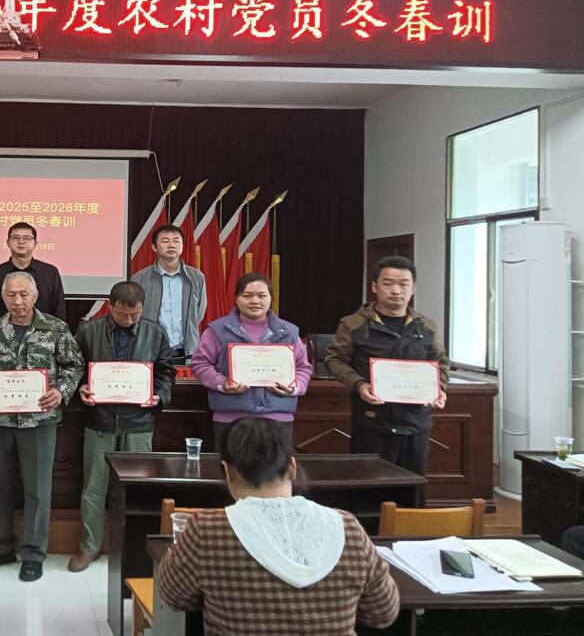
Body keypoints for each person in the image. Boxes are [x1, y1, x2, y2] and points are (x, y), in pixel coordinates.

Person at [158, 418, 400, 634]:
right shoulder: (347, 527)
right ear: (292, 468)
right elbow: (383, 612)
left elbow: (173, 596)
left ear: (227, 472)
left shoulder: (207, 530)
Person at [0, 272, 84, 582]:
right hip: (0, 420)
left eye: (24, 294)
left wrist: (60, 391)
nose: (17, 301)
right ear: (3, 297)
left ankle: (33, 554)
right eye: (11, 295)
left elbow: (75, 365)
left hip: (40, 420)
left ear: (35, 297)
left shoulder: (56, 328)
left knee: (37, 490)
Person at [67, 281, 175, 572]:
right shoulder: (88, 330)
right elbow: (74, 367)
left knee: (138, 487)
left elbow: (166, 371)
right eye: (122, 314)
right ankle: (90, 546)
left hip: (139, 422)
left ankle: (135, 547)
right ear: (110, 305)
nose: (128, 320)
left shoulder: (155, 332)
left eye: (135, 315)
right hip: (100, 420)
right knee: (94, 487)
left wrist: (160, 395)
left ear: (142, 309)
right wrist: (81, 387)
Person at [325, 256, 448, 476]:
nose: (396, 290)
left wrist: (439, 388)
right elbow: (334, 359)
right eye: (388, 283)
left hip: (415, 421)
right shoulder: (353, 323)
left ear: (413, 288)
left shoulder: (426, 326)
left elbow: (440, 362)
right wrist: (359, 384)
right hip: (372, 420)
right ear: (374, 286)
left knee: (412, 484)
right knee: (369, 484)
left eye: (403, 284)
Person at [190, 272, 313, 453]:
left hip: (278, 418)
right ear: (236, 298)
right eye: (247, 295)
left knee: (276, 469)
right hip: (231, 418)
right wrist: (223, 383)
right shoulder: (217, 330)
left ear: (271, 298)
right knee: (231, 468)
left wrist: (294, 387)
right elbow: (200, 363)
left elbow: (303, 367)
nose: (255, 301)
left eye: (262, 296)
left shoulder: (289, 331)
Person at [130, 224, 206, 360]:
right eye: (165, 241)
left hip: (187, 351)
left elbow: (199, 312)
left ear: (182, 246)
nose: (171, 245)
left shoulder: (196, 277)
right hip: (150, 351)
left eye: (176, 241)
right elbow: (134, 315)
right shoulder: (140, 278)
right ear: (154, 247)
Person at [0, 223, 66, 329]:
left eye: (26, 238)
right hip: (3, 336)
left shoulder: (50, 272)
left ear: (35, 243)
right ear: (8, 243)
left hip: (44, 336)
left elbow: (59, 311)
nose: (21, 242)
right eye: (15, 238)